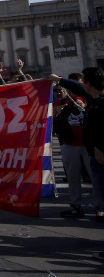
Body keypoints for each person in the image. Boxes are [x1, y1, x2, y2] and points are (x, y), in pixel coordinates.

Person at [52, 75, 92, 217]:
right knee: (72, 176)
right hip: (69, 144)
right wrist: (59, 111)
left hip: (89, 145)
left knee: (96, 177)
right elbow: (53, 117)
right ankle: (75, 204)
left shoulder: (89, 100)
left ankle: (101, 206)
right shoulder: (62, 101)